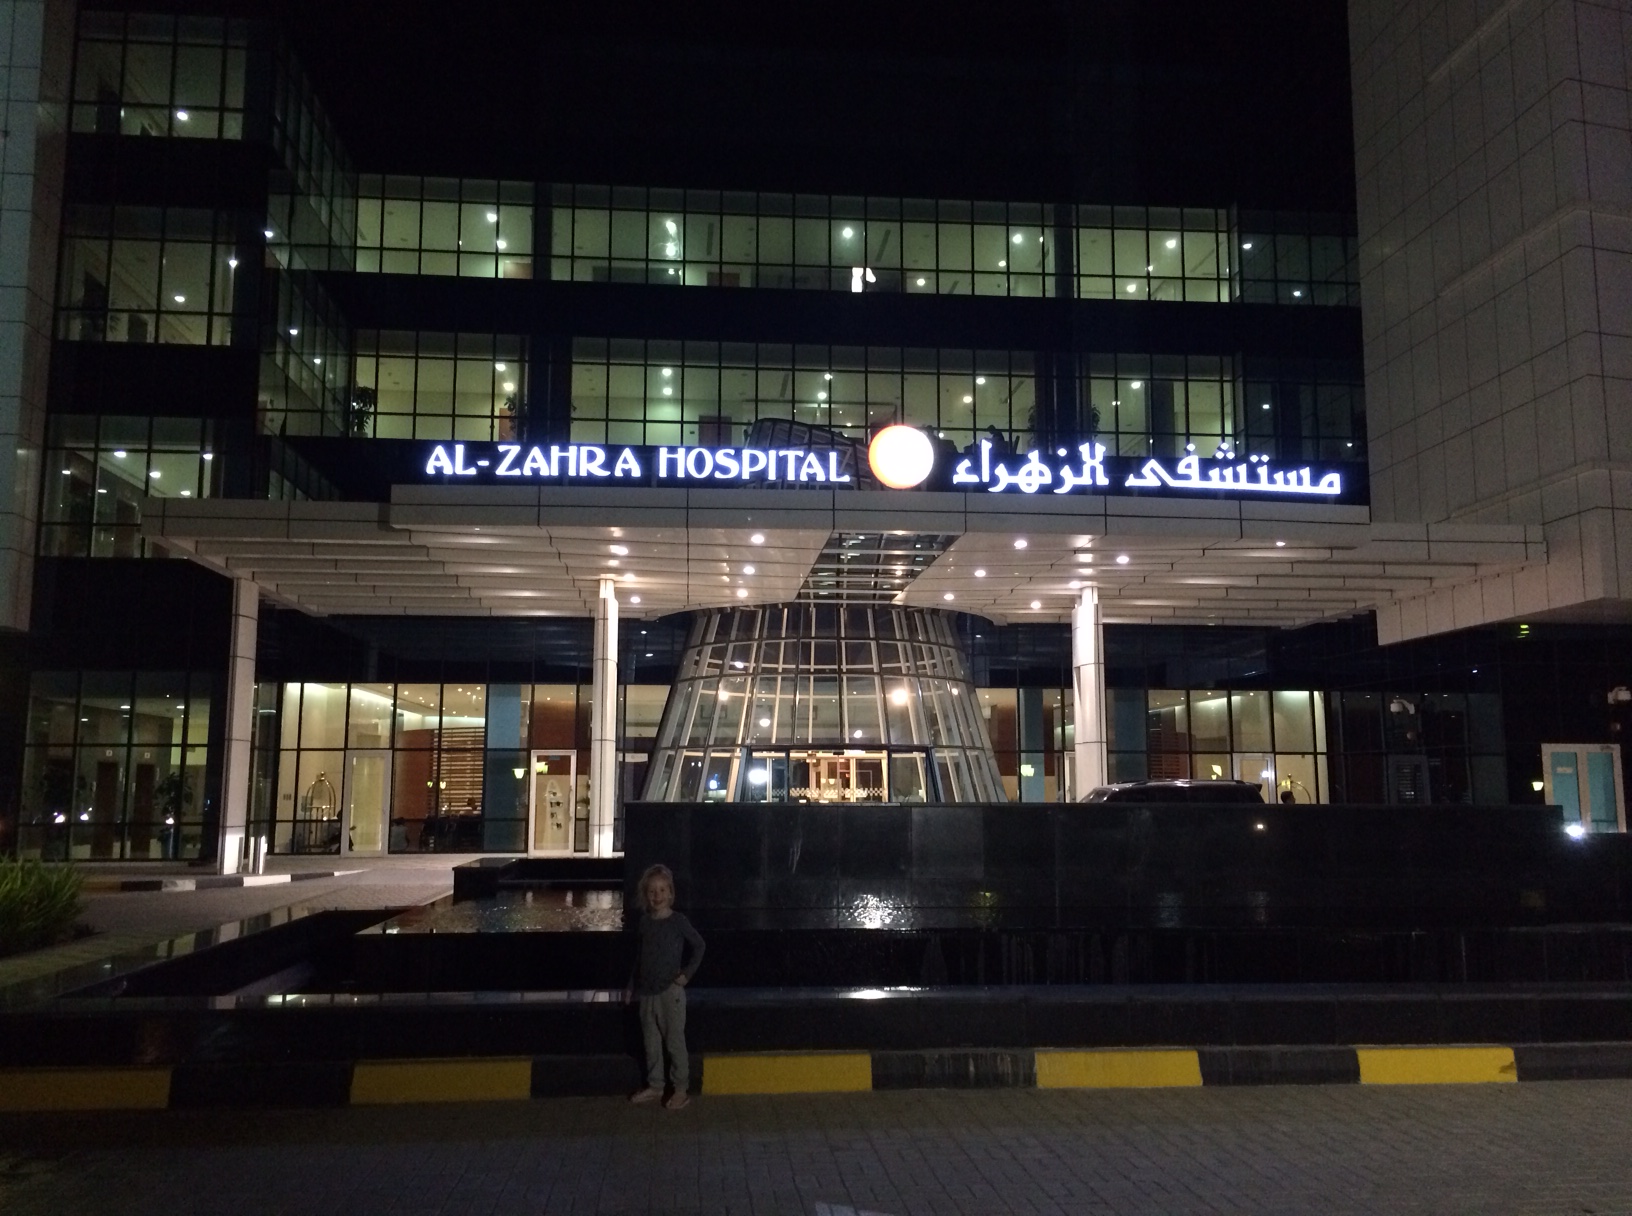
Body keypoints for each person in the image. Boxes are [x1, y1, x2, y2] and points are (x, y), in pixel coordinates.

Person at [626, 863, 705, 1110]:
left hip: (670, 993)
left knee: (674, 1042)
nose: (657, 896)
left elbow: (699, 946)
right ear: (645, 894)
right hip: (647, 993)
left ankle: (681, 1089)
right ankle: (656, 1085)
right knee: (651, 1043)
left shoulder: (678, 921)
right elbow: (640, 957)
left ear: (670, 893)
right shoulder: (645, 922)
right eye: (652, 891)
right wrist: (631, 986)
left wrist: (687, 974)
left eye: (662, 890)